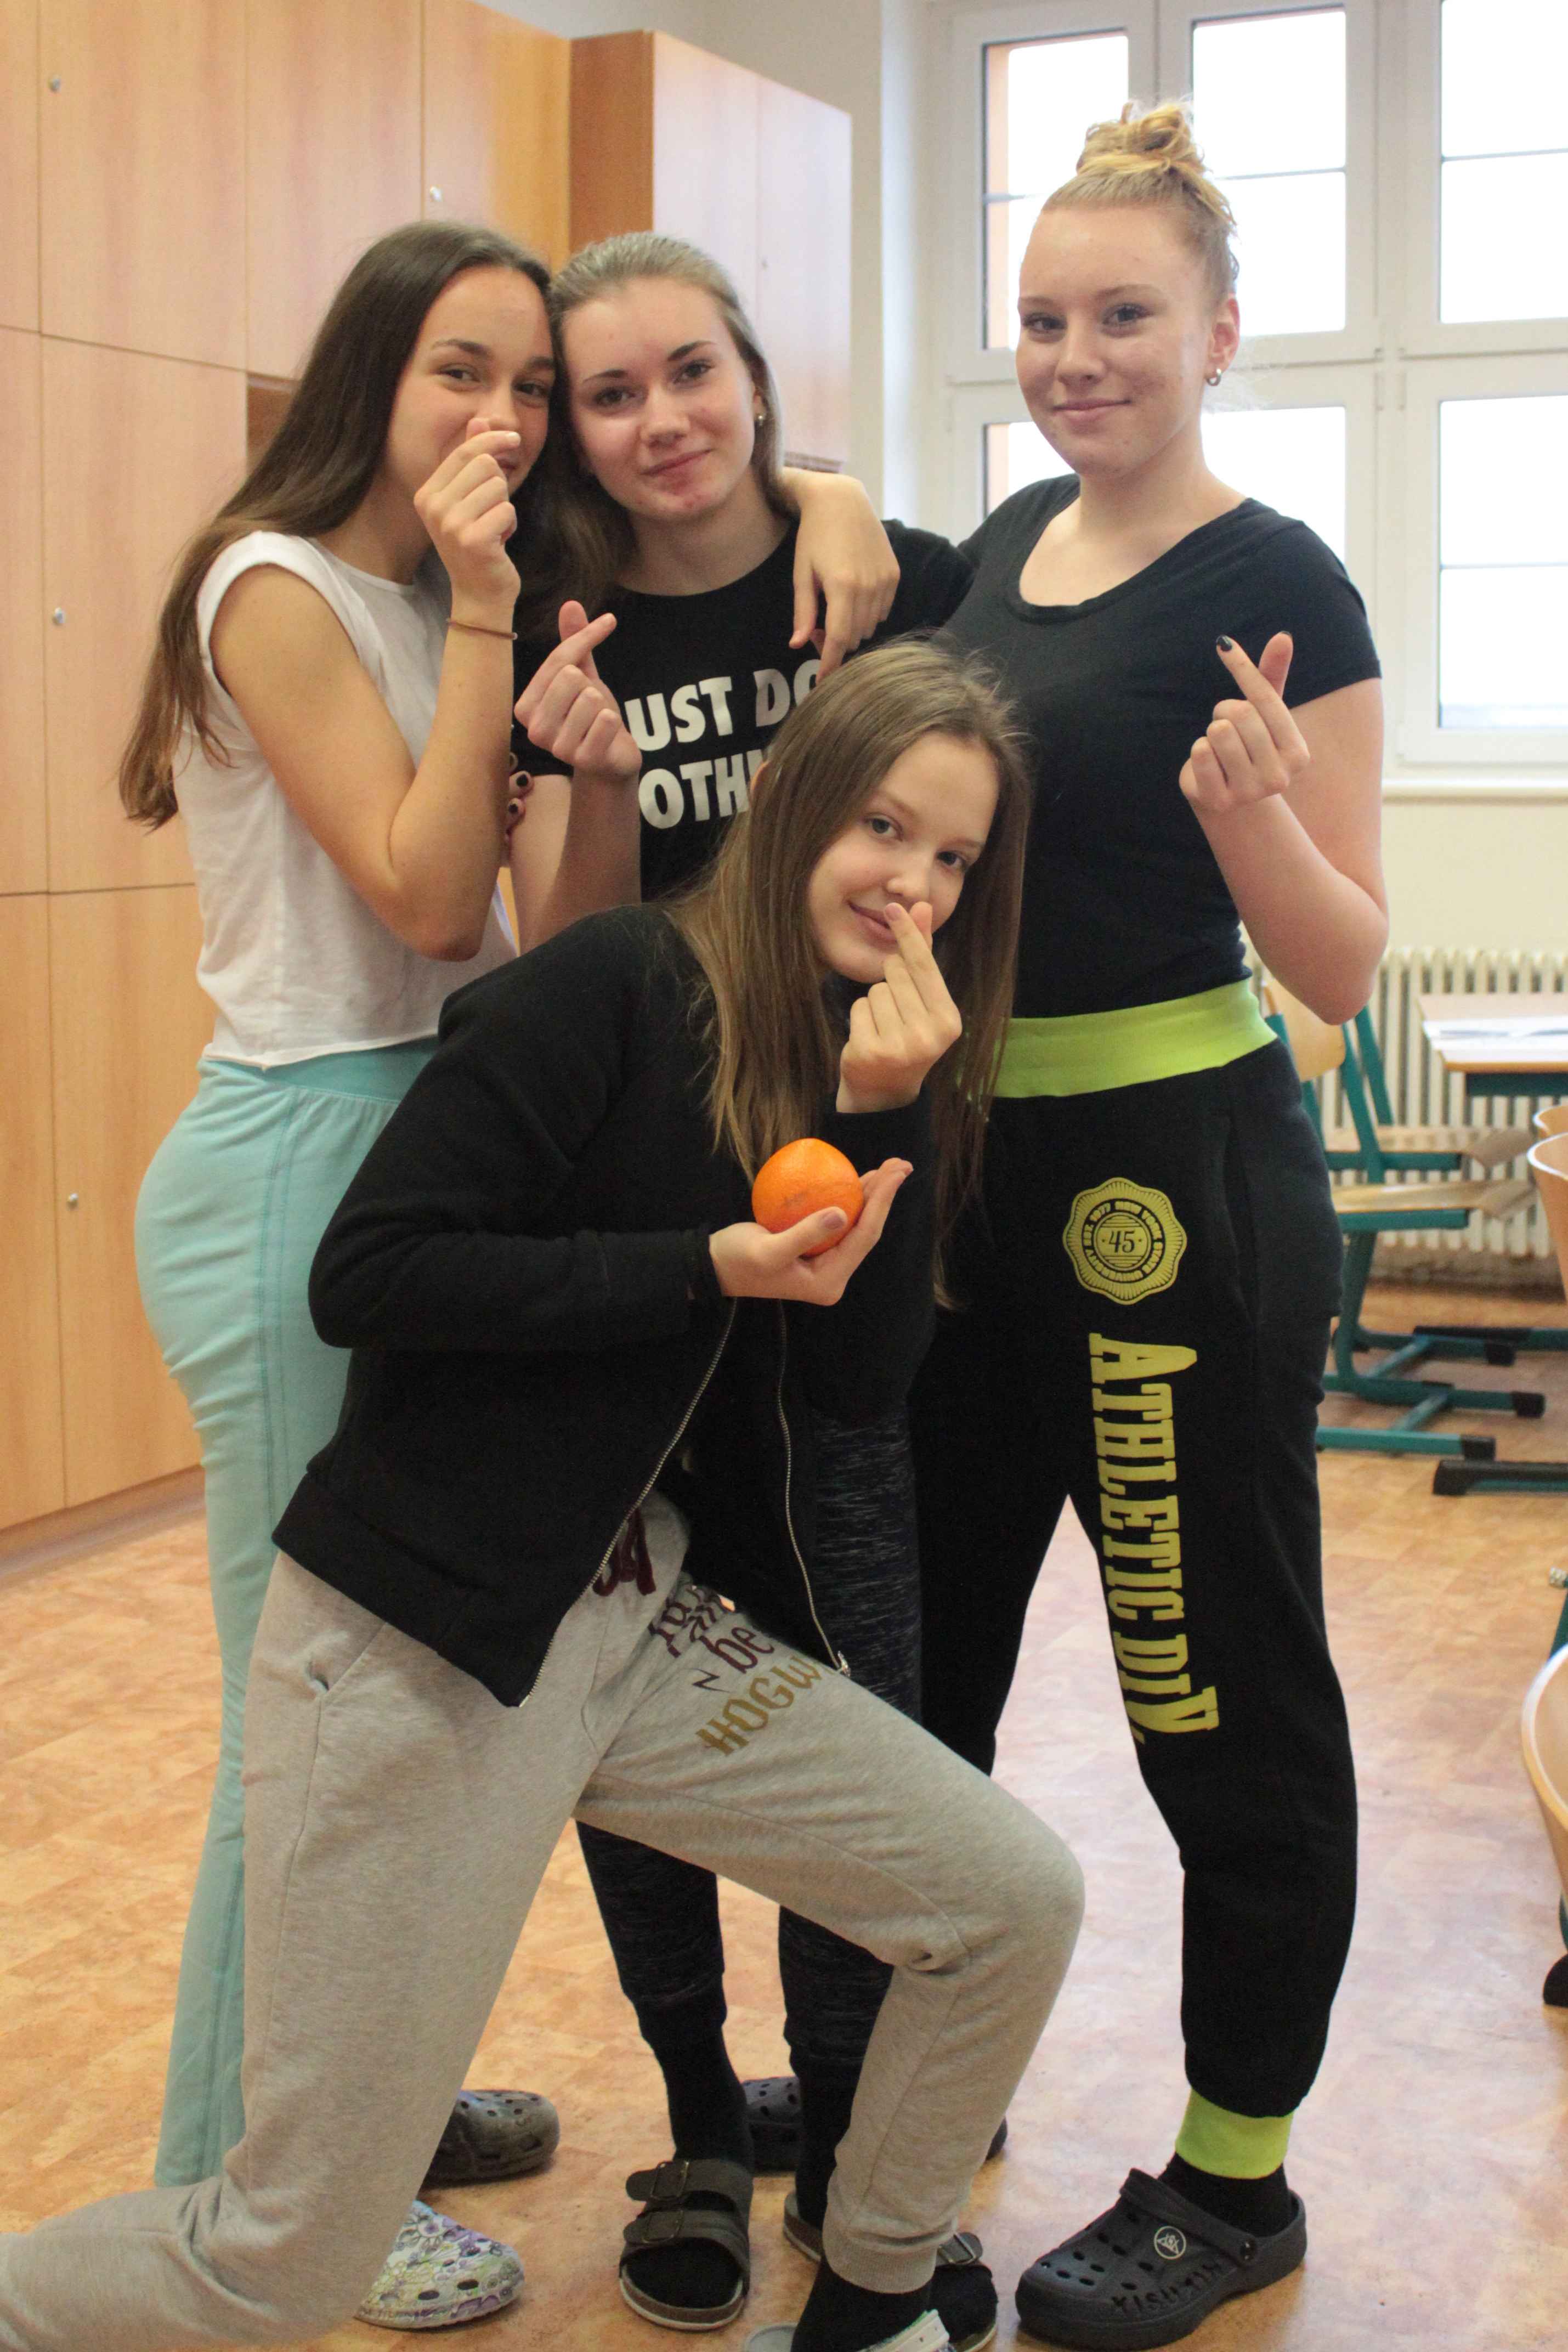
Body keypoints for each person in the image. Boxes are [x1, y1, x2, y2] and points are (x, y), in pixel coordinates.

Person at [0, 641, 1083, 2352]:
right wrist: (698, 1264)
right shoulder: (613, 982)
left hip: (637, 1635)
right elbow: (373, 1273)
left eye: (955, 857)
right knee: (274, 2268)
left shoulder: (849, 1046)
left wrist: (887, 1116)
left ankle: (875, 2303)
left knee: (1008, 1902)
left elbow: (853, 1385)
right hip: (416, 1657)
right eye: (885, 826)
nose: (917, 886)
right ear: (795, 804)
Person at [903, 105, 1385, 2350]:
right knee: (923, 1675)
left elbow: (1340, 961)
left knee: (1207, 1689)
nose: (1074, 355)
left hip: (1169, 1201)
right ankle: (931, 2072)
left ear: (1217, 333)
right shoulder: (1006, 547)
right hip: (967, 1196)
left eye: (1122, 316)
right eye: (1040, 318)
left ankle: (1231, 2174)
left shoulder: (1280, 580)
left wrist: (1250, 823)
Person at [505, 232, 990, 2346]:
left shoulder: (881, 576)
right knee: (630, 1701)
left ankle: (860, 2133)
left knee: (844, 1688)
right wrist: (598, 786)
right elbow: (560, 952)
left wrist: (838, 495)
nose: (659, 422)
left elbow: (974, 787)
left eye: (690, 372)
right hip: (642, 1219)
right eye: (609, 393)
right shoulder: (557, 622)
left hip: (850, 1195)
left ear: (757, 378)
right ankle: (700, 2125)